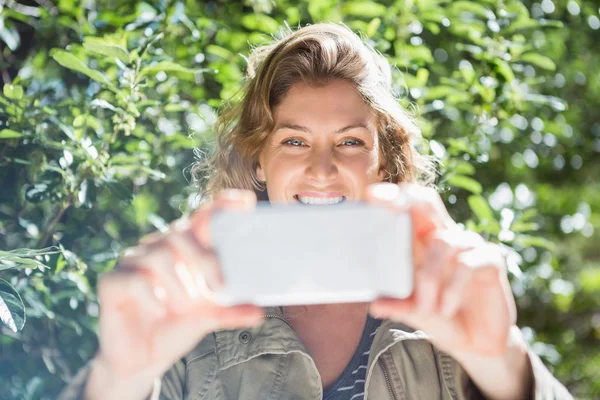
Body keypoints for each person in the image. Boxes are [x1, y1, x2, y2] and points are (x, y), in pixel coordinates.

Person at [59, 22, 572, 400]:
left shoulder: (446, 303)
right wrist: (117, 377)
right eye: (295, 142)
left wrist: (506, 364)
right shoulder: (193, 310)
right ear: (259, 160)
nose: (323, 170)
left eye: (350, 142)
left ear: (383, 162)